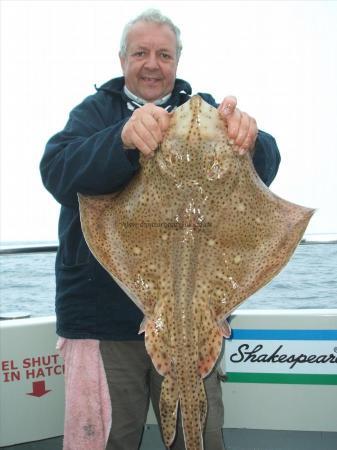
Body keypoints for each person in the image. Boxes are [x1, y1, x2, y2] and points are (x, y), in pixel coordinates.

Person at [40, 8, 280, 450]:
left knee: (200, 437)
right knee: (107, 439)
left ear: (177, 60)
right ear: (122, 60)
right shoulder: (94, 115)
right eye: (141, 53)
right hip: (104, 320)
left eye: (164, 54)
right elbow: (57, 172)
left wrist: (251, 138)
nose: (153, 63)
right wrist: (122, 140)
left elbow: (263, 174)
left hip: (195, 316)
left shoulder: (205, 112)